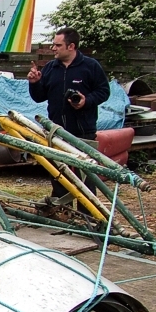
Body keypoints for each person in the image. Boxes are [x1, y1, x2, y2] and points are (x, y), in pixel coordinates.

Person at [27, 27, 110, 204]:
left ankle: (87, 214)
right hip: (56, 131)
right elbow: (39, 97)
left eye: (57, 45)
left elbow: (104, 92)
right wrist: (34, 83)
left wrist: (85, 101)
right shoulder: (51, 67)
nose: (53, 48)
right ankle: (61, 211)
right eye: (53, 44)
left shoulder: (90, 66)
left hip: (83, 131)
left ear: (71, 46)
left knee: (85, 176)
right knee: (58, 173)